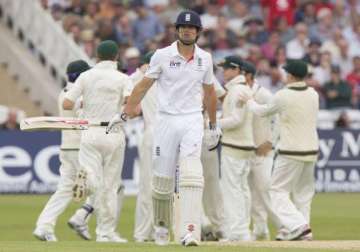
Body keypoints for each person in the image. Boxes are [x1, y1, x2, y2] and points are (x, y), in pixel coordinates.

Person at [107, 10, 220, 246]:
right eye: (183, 27)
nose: (187, 30)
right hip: (166, 121)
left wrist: (213, 124)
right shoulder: (161, 55)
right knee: (162, 183)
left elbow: (209, 93)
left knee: (192, 174)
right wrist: (125, 113)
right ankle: (160, 226)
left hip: (191, 119)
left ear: (198, 32)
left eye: (191, 28)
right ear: (177, 30)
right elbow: (142, 86)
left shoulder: (205, 59)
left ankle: (189, 231)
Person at [240, 59, 319, 241]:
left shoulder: (283, 95)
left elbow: (262, 112)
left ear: (290, 76)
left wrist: (250, 101)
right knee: (303, 195)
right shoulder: (313, 94)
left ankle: (298, 226)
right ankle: (301, 232)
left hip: (291, 151)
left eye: (286, 73)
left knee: (277, 191)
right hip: (311, 151)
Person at [63, 40, 132, 242]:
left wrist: (81, 103)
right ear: (116, 57)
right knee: (111, 186)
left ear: (97, 57)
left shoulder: (86, 76)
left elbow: (68, 103)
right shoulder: (122, 78)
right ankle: (105, 232)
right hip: (114, 131)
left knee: (99, 184)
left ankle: (88, 178)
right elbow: (129, 104)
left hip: (90, 131)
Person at [33, 59, 90, 242]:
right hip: (81, 148)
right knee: (105, 186)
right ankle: (81, 217)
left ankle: (44, 226)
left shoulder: (63, 92)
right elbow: (84, 118)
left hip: (66, 146)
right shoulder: (79, 96)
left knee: (64, 189)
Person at [217, 55, 254, 241]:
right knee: (240, 190)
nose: (224, 72)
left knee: (232, 190)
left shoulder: (238, 90)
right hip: (243, 146)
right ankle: (241, 231)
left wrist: (212, 123)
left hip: (235, 146)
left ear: (236, 70)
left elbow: (236, 120)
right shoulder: (240, 89)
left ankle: (237, 233)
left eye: (227, 68)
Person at [241, 61, 273, 240]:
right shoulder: (240, 92)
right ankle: (260, 228)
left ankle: (287, 227)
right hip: (246, 149)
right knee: (251, 191)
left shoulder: (264, 94)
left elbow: (279, 118)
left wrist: (270, 142)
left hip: (264, 150)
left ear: (249, 76)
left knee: (264, 188)